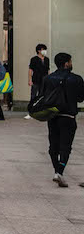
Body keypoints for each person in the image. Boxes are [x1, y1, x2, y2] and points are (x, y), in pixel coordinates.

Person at [40, 53, 84, 188]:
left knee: (53, 146)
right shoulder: (76, 79)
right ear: (66, 63)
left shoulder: (48, 78)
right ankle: (59, 172)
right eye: (70, 61)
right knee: (66, 146)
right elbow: (80, 98)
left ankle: (57, 171)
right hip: (68, 116)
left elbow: (42, 96)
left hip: (52, 116)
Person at [27, 43, 50, 120]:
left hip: (44, 80)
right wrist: (30, 80)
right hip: (36, 80)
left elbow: (48, 70)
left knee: (42, 96)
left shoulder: (47, 59)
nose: (44, 51)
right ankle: (31, 112)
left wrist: (49, 79)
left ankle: (40, 112)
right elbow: (30, 70)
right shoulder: (34, 59)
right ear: (39, 50)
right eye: (43, 49)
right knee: (33, 96)